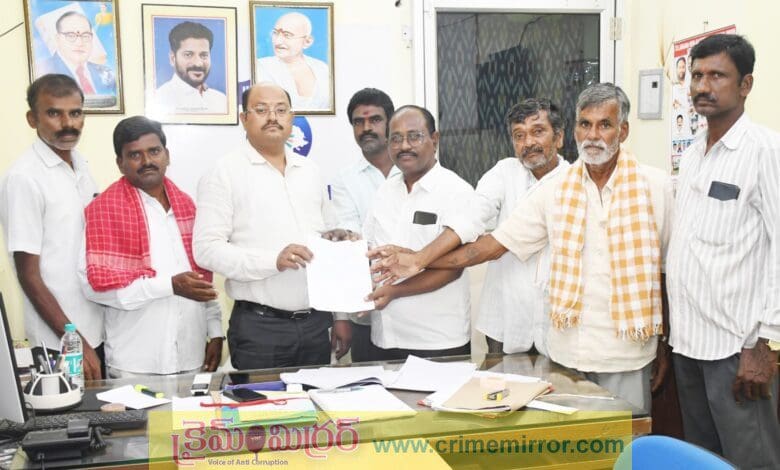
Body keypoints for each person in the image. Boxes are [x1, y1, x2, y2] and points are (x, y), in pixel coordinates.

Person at [370, 84, 673, 411]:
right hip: (556, 344)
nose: (593, 135)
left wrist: (664, 342)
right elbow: (487, 240)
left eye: (605, 125)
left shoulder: (654, 187)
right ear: (574, 131)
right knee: (547, 430)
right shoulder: (551, 188)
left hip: (623, 348)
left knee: (627, 434)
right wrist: (418, 259)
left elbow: (665, 271)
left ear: (621, 131)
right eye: (585, 124)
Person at [666, 34, 780, 468]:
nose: (702, 86)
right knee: (702, 460)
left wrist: (767, 343)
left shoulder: (765, 151)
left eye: (717, 75)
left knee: (751, 461)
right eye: (697, 75)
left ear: (745, 84)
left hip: (738, 351)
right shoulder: (695, 154)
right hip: (689, 346)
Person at [193, 82, 351, 369]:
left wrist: (340, 316)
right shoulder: (223, 173)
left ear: (292, 118)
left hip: (317, 324)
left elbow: (329, 242)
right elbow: (206, 250)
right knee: (261, 400)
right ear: (244, 118)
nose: (272, 117)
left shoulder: (310, 171)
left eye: (281, 110)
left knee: (317, 398)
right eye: (261, 110)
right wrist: (272, 261)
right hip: (260, 329)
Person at [78, 116, 223, 378]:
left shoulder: (188, 207)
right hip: (135, 365)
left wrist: (215, 332)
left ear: (167, 155)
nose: (147, 161)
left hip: (191, 358)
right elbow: (95, 289)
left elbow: (201, 279)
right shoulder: (103, 211)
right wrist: (169, 286)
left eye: (154, 151)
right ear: (120, 163)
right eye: (135, 155)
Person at [0, 74, 103, 380]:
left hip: (95, 331)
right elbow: (28, 275)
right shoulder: (24, 178)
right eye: (54, 113)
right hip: (58, 345)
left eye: (75, 112)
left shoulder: (81, 165)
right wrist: (75, 342)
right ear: (32, 119)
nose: (68, 123)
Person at [363, 105, 481, 360]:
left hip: (437, 340)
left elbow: (453, 269)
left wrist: (395, 291)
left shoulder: (456, 191)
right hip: (384, 336)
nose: (404, 145)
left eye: (414, 136)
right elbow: (369, 251)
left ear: (434, 140)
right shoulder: (384, 192)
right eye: (396, 139)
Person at [472, 98, 569, 355]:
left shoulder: (574, 181)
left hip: (556, 322)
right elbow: (473, 215)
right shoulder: (504, 172)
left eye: (538, 131)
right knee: (497, 380)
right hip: (504, 317)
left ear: (559, 137)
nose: (528, 143)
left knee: (558, 381)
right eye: (519, 135)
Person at [330, 88, 399, 362]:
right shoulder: (345, 180)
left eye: (375, 120)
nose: (366, 128)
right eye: (359, 122)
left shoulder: (414, 170)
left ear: (391, 123)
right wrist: (341, 315)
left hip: (418, 310)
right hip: (367, 313)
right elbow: (348, 245)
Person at [255, 12, 330, 110]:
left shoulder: (322, 68)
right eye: (275, 33)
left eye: (287, 35)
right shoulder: (261, 66)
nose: (277, 41)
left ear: (307, 41)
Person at [153, 21, 227, 115]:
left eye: (204, 55)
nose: (198, 63)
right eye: (188, 55)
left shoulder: (221, 100)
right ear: (172, 58)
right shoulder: (160, 98)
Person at [39, 11, 116, 96]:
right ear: (58, 39)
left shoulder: (106, 73)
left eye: (85, 36)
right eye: (71, 35)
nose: (79, 43)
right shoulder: (43, 71)